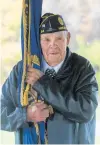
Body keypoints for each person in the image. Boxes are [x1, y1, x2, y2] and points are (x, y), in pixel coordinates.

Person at [1, 13, 98, 144]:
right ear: (38, 41)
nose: (53, 45)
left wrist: (43, 84)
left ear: (67, 39)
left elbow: (86, 110)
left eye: (59, 38)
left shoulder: (82, 68)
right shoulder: (22, 70)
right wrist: (26, 115)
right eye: (46, 40)